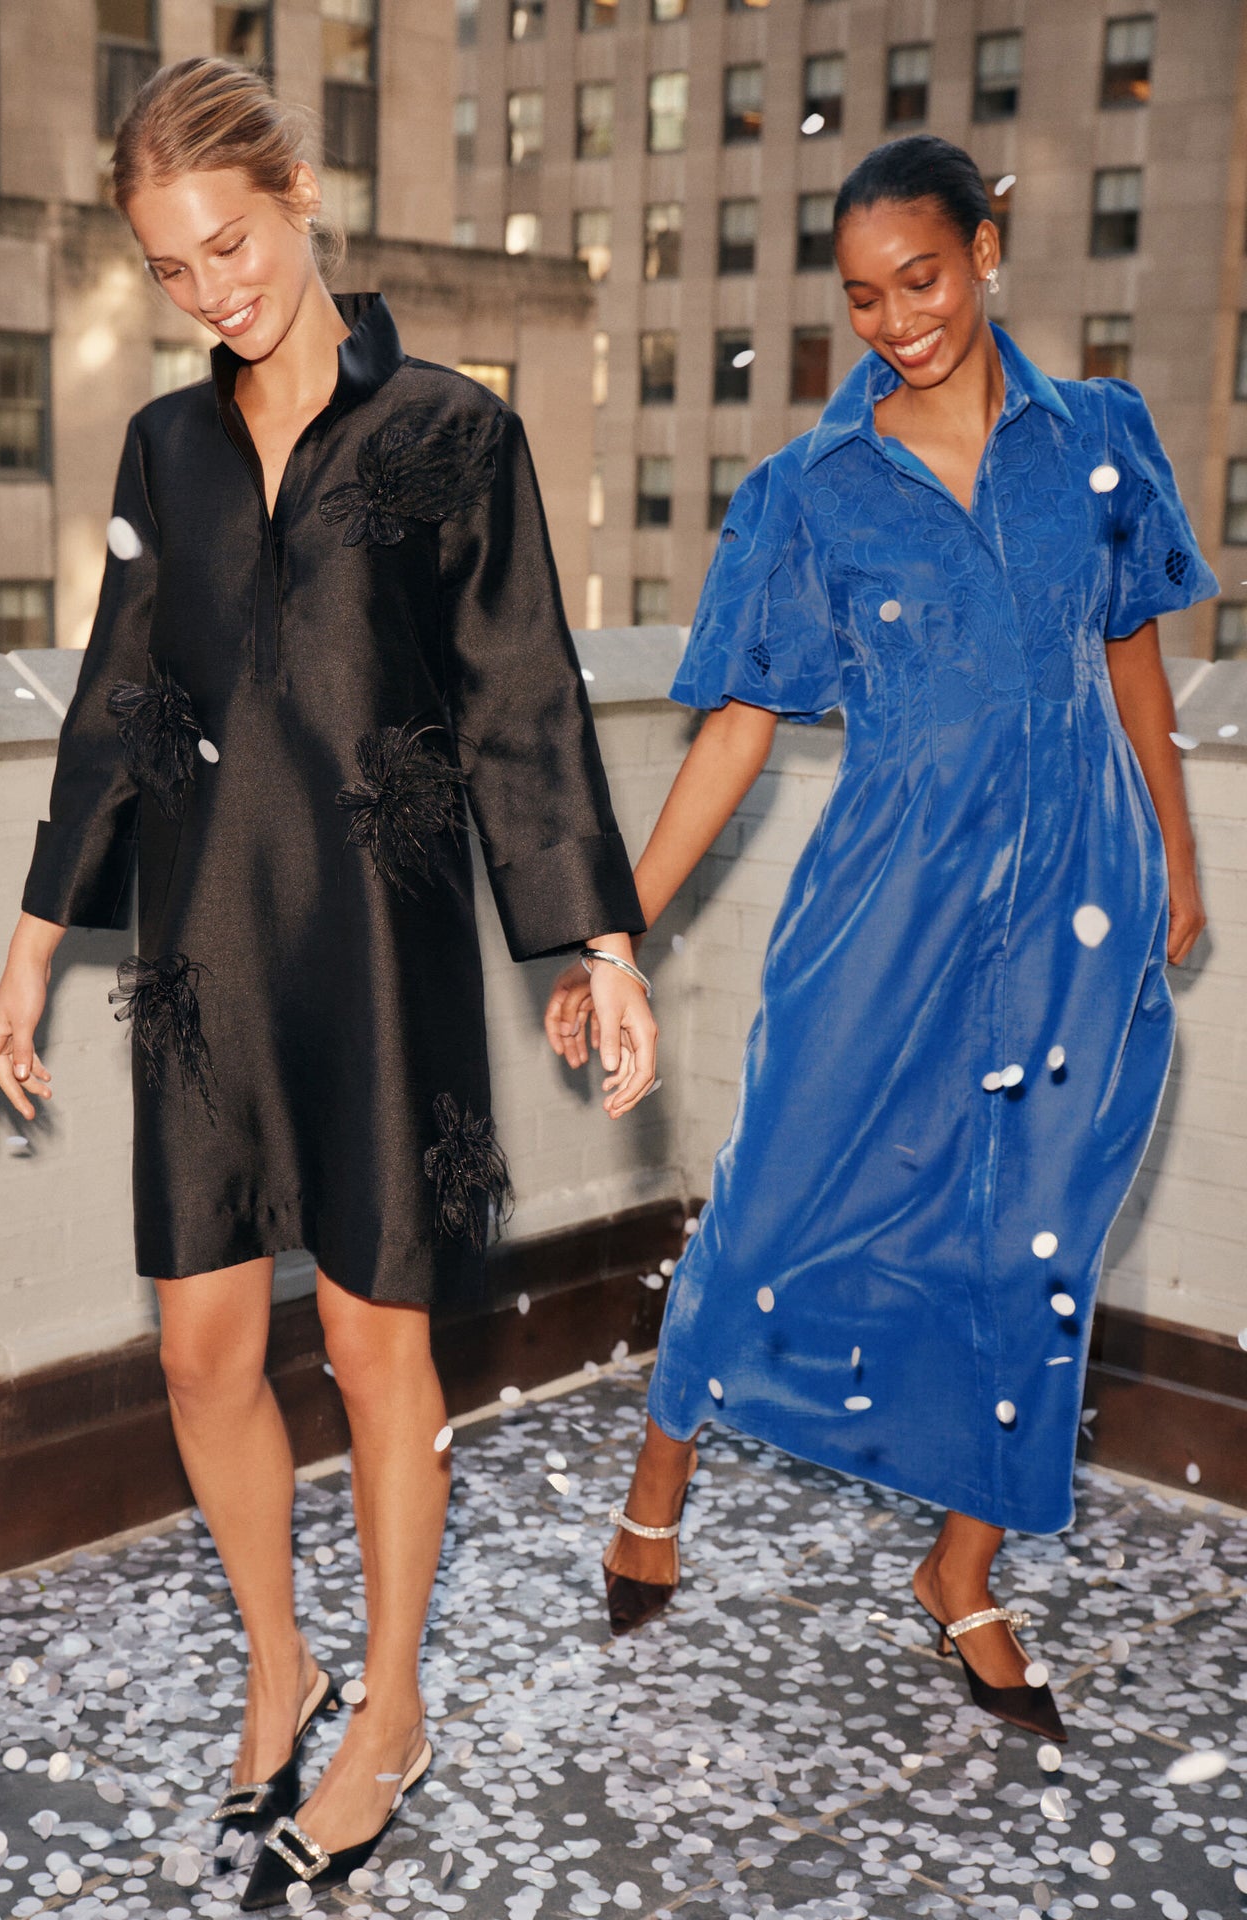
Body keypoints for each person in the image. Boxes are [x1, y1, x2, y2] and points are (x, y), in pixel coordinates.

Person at [0, 57, 655, 1905]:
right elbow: (119, 712)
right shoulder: (163, 456)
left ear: (296, 198)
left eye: (232, 242)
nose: (214, 291)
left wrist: (597, 943)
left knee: (373, 1348)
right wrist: (31, 958)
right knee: (204, 1348)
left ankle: (394, 1711)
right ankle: (282, 1667)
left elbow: (525, 705)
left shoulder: (451, 432)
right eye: (171, 269)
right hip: (200, 964)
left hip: (380, 953)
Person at [547, 133, 1215, 1744]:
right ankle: (659, 1480)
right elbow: (732, 734)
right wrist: (607, 932)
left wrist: (1178, 860)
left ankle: (963, 1572)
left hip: (1083, 906)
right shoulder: (805, 496)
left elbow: (1131, 650)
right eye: (862, 297)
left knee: (1039, 1250)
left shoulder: (1100, 441)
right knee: (777, 1200)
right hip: (886, 917)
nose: (897, 319)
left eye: (922, 278)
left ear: (988, 248)